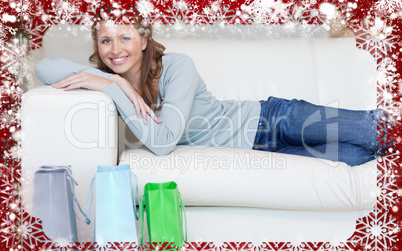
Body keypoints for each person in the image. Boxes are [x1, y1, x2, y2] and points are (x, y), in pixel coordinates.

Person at [35, 17, 380, 166]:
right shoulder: (105, 79)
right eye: (105, 40)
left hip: (273, 119)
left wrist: (116, 85)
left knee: (375, 131)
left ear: (143, 40)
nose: (115, 49)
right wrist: (116, 83)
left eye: (125, 37)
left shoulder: (177, 65)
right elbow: (44, 69)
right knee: (359, 158)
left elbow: (164, 137)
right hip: (261, 154)